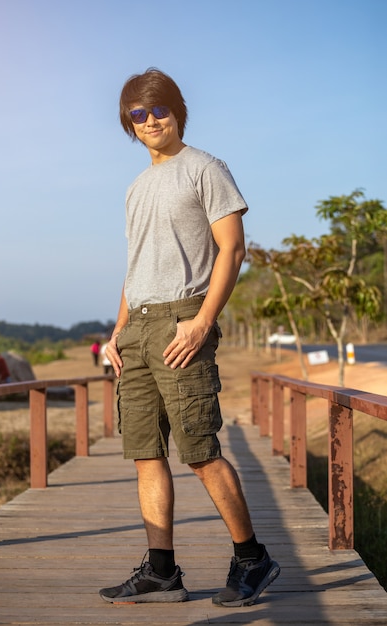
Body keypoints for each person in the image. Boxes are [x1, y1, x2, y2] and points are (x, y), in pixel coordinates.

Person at [99, 68, 280, 607]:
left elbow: (233, 250)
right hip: (137, 329)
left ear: (177, 112)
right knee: (145, 454)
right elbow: (136, 269)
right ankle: (161, 571)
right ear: (129, 123)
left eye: (159, 109)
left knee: (199, 450)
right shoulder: (135, 188)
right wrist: (117, 333)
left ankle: (252, 559)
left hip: (183, 320)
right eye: (138, 113)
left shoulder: (205, 168)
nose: (151, 119)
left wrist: (201, 321)